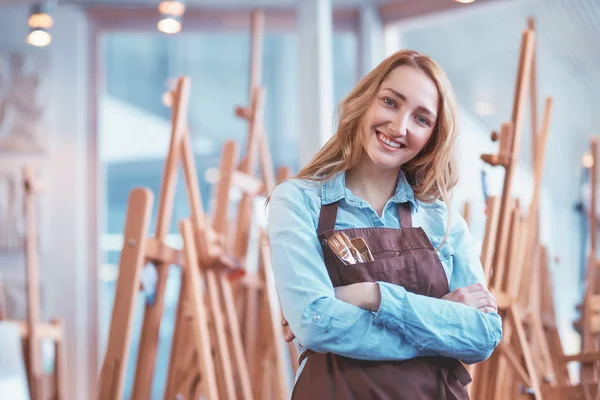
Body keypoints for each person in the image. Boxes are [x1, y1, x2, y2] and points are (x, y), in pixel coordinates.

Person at [267, 50, 502, 399]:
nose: (399, 126)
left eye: (421, 119)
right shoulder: (299, 201)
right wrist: (439, 322)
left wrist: (372, 295)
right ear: (364, 102)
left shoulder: (441, 219)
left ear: (433, 137)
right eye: (390, 102)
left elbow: (481, 336)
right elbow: (316, 323)